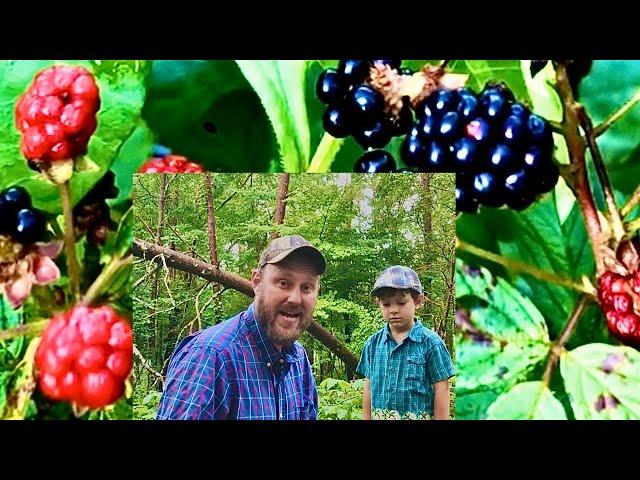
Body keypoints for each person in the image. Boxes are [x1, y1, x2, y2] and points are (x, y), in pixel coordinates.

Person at [156, 235, 325, 420]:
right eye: (283, 283)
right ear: (257, 282)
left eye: (307, 287)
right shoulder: (210, 357)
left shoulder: (298, 360)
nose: (295, 298)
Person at [356, 266, 455, 420]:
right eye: (386, 304)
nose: (393, 310)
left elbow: (442, 389)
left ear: (418, 301)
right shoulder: (373, 344)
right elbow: (369, 386)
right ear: (378, 304)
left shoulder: (431, 343)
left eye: (401, 303)